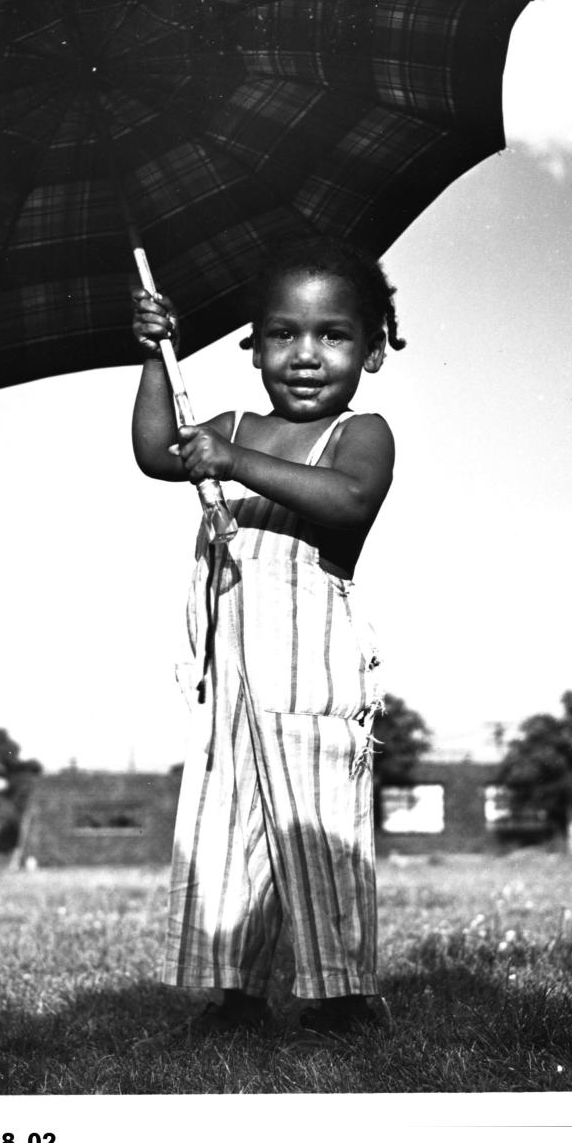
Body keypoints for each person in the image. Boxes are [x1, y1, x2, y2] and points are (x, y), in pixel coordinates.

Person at [131, 236, 402, 1044]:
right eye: (283, 334)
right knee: (229, 833)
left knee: (317, 835)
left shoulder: (361, 435)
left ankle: (341, 997)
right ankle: (236, 995)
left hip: (311, 681)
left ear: (374, 350)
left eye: (333, 335)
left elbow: (349, 500)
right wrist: (152, 358)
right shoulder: (235, 424)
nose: (307, 355)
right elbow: (156, 452)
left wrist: (235, 462)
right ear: (252, 348)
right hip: (232, 678)